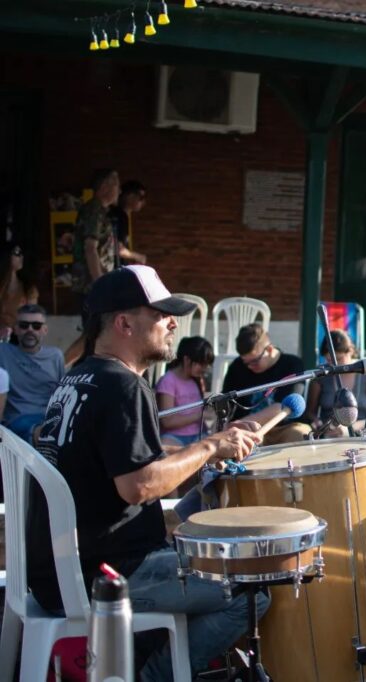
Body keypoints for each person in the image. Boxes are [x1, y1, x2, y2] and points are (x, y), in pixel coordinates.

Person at [27, 265, 268, 681]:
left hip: (57, 573)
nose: (173, 322)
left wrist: (199, 452)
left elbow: (118, 460)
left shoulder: (78, 379)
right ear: (123, 323)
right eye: (160, 314)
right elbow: (138, 485)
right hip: (107, 575)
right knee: (251, 593)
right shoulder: (123, 385)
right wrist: (211, 446)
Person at [66, 168, 121, 366]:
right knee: (92, 331)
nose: (119, 191)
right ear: (105, 187)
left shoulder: (98, 211)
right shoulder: (94, 211)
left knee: (94, 335)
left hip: (91, 284)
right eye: (116, 185)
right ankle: (57, 368)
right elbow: (91, 248)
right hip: (91, 285)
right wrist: (101, 284)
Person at [222, 323, 310, 445]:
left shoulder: (292, 364)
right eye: (246, 362)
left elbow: (283, 408)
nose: (250, 366)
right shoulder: (237, 367)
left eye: (255, 361)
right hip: (250, 429)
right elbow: (225, 404)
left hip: (285, 427)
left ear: (269, 349)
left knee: (299, 434)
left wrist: (237, 424)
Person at [0, 304, 65, 443]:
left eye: (36, 326)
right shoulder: (3, 352)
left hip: (49, 418)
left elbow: (61, 393)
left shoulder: (55, 356)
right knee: (43, 433)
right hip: (18, 420)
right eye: (24, 325)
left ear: (44, 330)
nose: (30, 330)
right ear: (16, 329)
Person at [303, 329, 366, 434]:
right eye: (329, 360)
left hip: (364, 435)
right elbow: (310, 412)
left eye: (338, 359)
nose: (334, 365)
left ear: (350, 351)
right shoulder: (321, 375)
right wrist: (317, 422)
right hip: (329, 435)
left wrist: (351, 428)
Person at [156, 336, 213, 446]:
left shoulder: (197, 380)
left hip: (198, 434)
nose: (204, 368)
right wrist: (200, 415)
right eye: (201, 364)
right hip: (174, 436)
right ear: (186, 360)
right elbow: (167, 421)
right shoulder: (168, 381)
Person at [0, 243, 39, 340]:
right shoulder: (2, 287)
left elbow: (32, 320)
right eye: (16, 253)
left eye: (21, 253)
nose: (21, 256)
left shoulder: (28, 289)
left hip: (20, 339)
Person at [108, 179, 148, 267]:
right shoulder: (119, 216)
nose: (143, 202)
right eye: (141, 198)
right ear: (129, 196)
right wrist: (137, 256)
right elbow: (116, 247)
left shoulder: (122, 215)